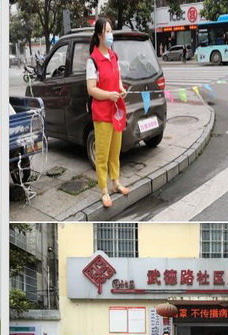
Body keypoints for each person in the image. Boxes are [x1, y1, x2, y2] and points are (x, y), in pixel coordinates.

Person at [86, 17, 130, 208]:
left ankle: (116, 183)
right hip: (102, 113)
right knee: (102, 154)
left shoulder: (114, 56)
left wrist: (120, 89)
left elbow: (118, 78)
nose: (110, 34)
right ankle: (103, 190)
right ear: (99, 35)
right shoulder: (93, 60)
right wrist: (109, 95)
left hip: (116, 111)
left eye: (111, 30)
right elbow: (91, 89)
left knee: (115, 151)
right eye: (107, 31)